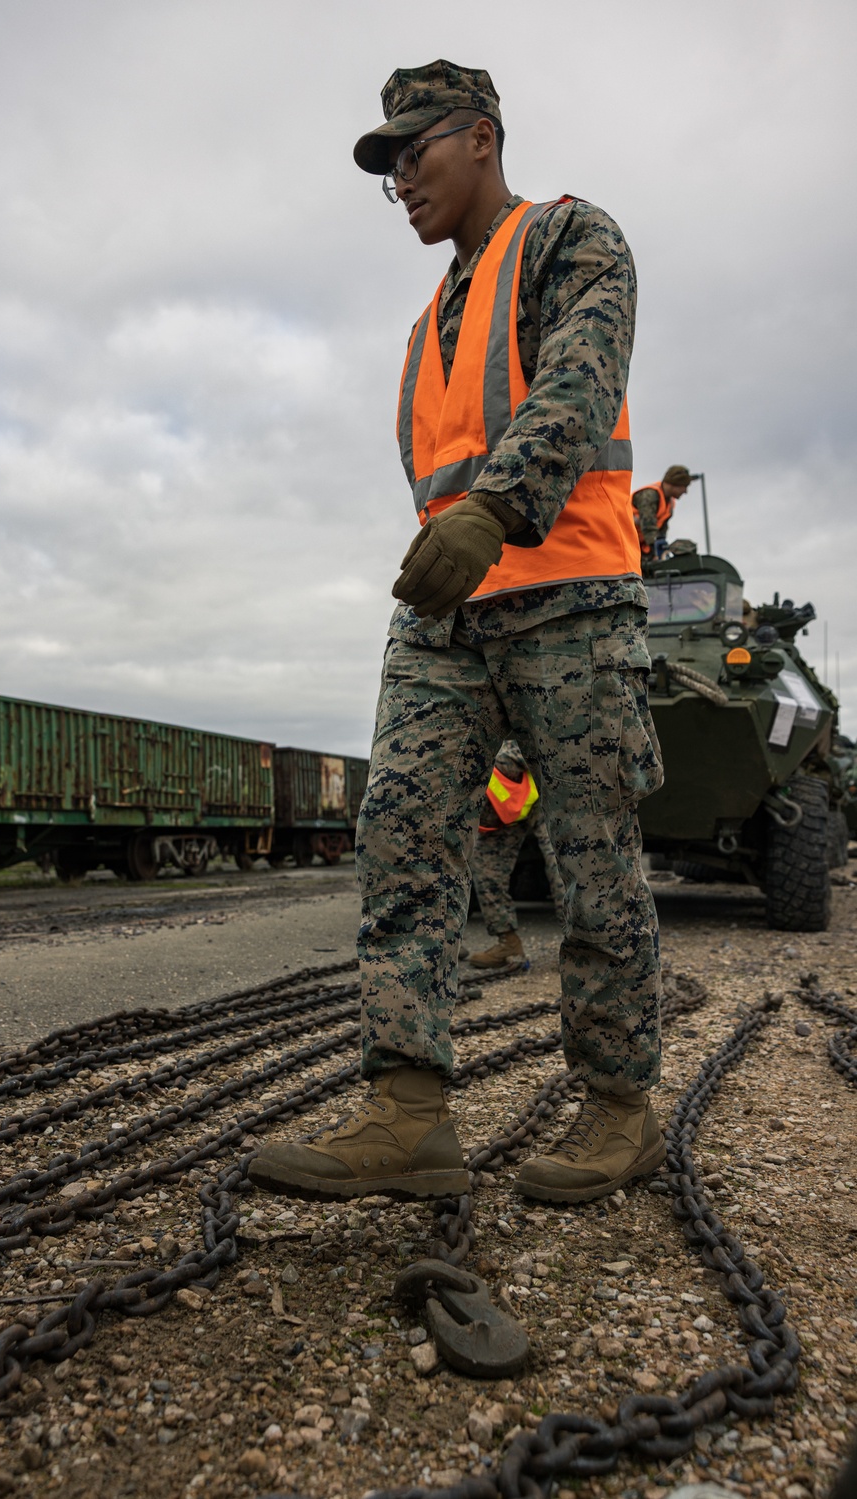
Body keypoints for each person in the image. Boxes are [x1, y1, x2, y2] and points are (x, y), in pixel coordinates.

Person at [249, 59, 664, 1208]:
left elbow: (580, 381)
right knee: (404, 834)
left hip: (570, 598)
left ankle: (621, 1105)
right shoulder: (429, 316)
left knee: (590, 858)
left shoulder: (574, 240)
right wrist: (447, 542)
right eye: (385, 170)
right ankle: (406, 1107)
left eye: (412, 152)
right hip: (445, 617)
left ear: (480, 137)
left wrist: (497, 505)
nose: (401, 182)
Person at [464, 740, 536, 970]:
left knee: (563, 870)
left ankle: (582, 945)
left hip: (544, 789)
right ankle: (508, 943)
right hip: (501, 811)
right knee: (486, 868)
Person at [631, 465, 693, 559]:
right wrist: (656, 551)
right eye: (684, 486)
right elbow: (648, 527)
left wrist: (661, 549)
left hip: (640, 544)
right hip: (625, 541)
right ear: (674, 484)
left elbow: (661, 530)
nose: (685, 491)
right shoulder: (649, 495)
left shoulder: (670, 503)